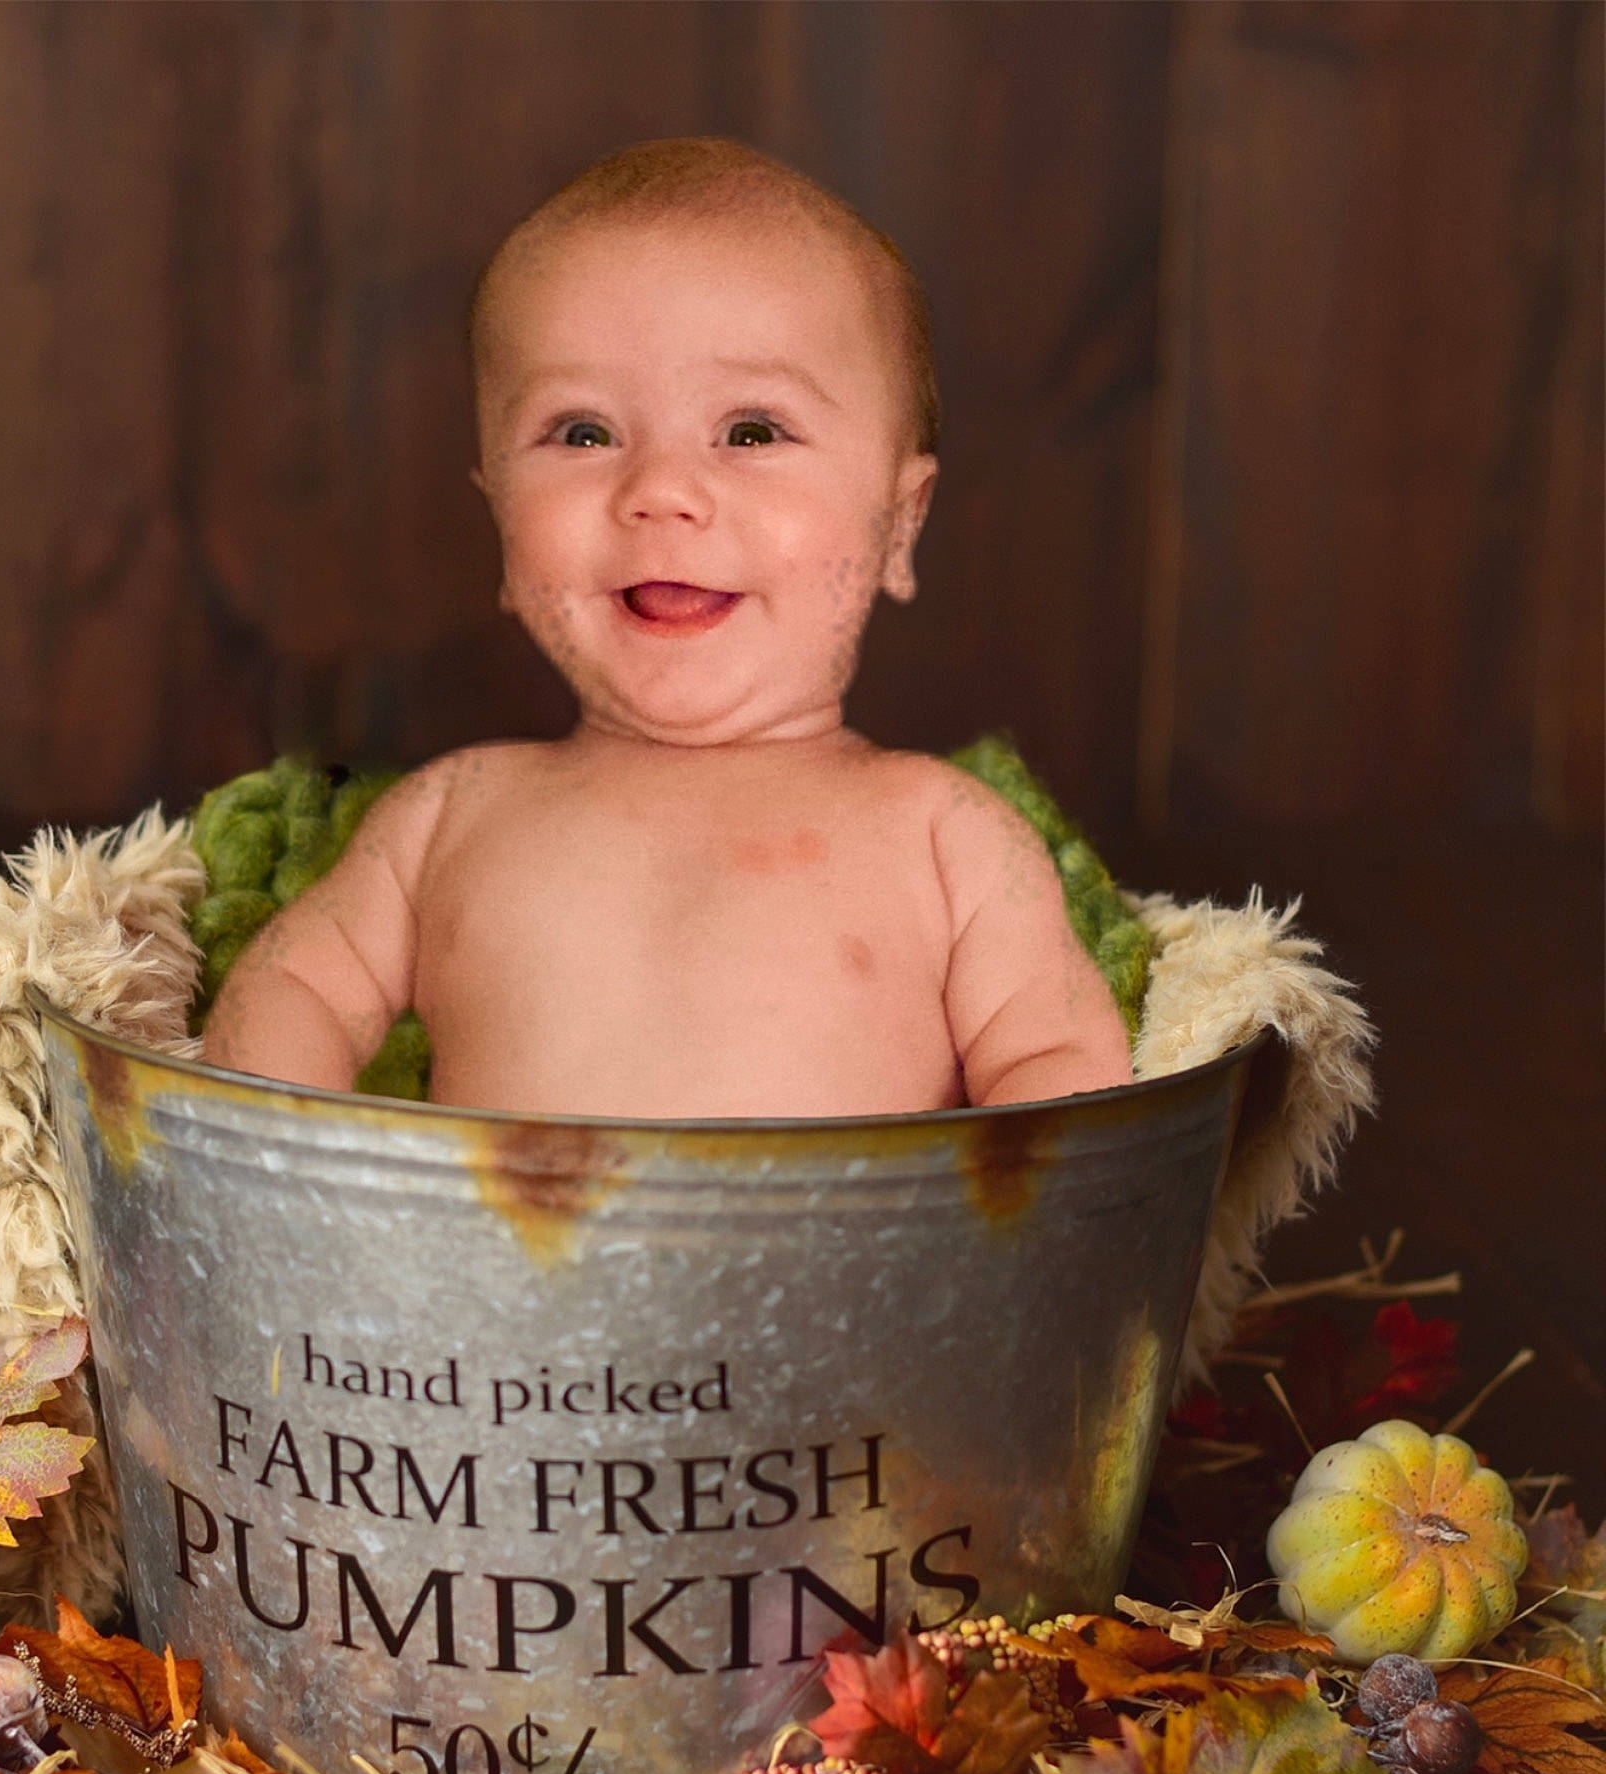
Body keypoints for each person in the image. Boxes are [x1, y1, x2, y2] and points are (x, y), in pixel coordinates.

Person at [201, 138, 1132, 1119]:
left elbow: (1061, 1074)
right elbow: (289, 989)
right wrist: (284, 1167)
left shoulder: (948, 838)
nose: (661, 493)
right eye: (583, 433)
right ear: (500, 527)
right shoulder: (447, 817)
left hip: (856, 1272)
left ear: (899, 524)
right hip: (495, 1271)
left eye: (752, 431)